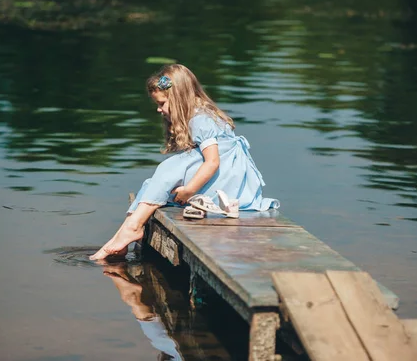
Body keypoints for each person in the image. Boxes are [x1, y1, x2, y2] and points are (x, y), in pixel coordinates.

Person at [90, 64, 279, 260]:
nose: (158, 109)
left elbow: (213, 162)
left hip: (226, 184)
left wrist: (189, 190)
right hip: (227, 179)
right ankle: (123, 235)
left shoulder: (200, 119)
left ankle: (132, 229)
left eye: (162, 103)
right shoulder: (201, 112)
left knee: (168, 168)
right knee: (151, 186)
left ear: (178, 99)